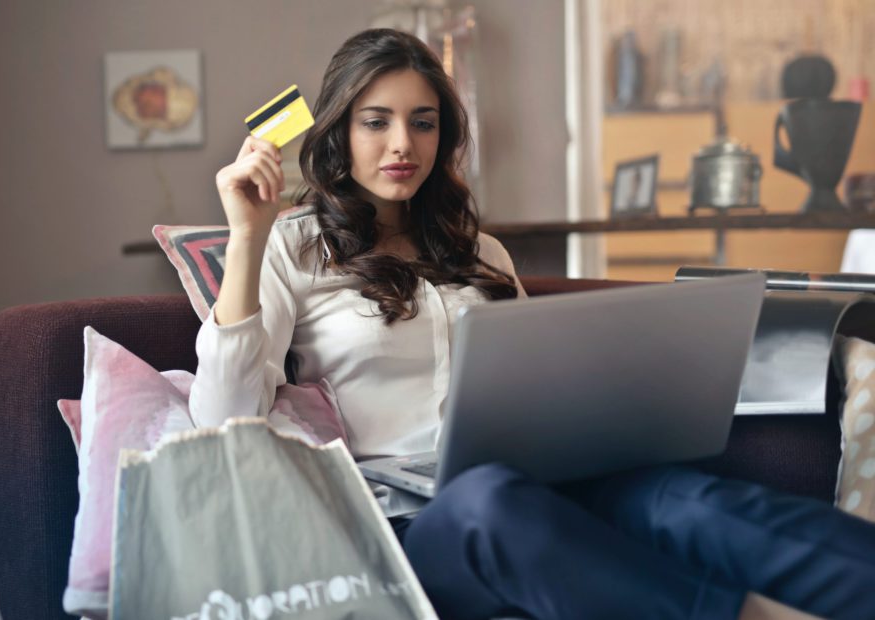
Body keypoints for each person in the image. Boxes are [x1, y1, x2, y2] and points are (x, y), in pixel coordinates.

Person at [191, 28, 875, 620]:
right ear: (340, 129)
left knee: (680, 499)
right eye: (377, 121)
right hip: (415, 527)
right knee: (490, 502)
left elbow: (536, 382)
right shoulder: (294, 248)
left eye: (423, 122)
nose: (403, 144)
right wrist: (247, 239)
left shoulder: (479, 252)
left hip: (544, 483)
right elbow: (223, 419)